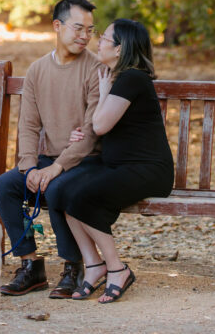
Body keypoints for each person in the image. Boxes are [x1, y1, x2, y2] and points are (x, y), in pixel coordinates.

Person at [50, 18, 174, 304]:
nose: (99, 41)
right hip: (121, 167)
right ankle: (94, 266)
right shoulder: (122, 78)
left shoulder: (132, 78)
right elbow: (101, 125)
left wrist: (104, 93)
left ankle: (117, 269)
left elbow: (102, 125)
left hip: (148, 170)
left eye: (105, 38)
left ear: (120, 49)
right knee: (66, 192)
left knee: (83, 198)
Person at [0, 0, 101, 299]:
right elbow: (27, 125)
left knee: (56, 188)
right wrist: (28, 166)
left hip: (87, 162)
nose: (85, 36)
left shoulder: (95, 69)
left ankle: (73, 266)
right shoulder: (38, 71)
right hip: (47, 160)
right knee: (6, 185)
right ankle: (30, 265)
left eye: (90, 30)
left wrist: (56, 167)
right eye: (78, 28)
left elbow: (92, 133)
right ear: (57, 25)